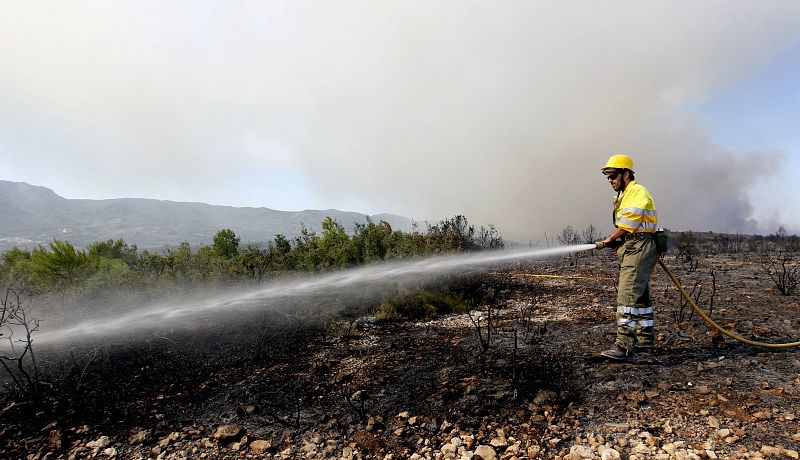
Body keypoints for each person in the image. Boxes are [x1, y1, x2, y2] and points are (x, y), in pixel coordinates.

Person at [594, 154, 658, 361]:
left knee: (627, 296)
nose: (610, 181)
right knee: (640, 297)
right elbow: (630, 227)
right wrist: (618, 242)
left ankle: (624, 347)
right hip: (634, 245)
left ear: (626, 174)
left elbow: (629, 224)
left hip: (638, 247)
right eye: (608, 178)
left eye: (612, 176)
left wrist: (609, 239)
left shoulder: (637, 191)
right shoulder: (625, 195)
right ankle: (645, 342)